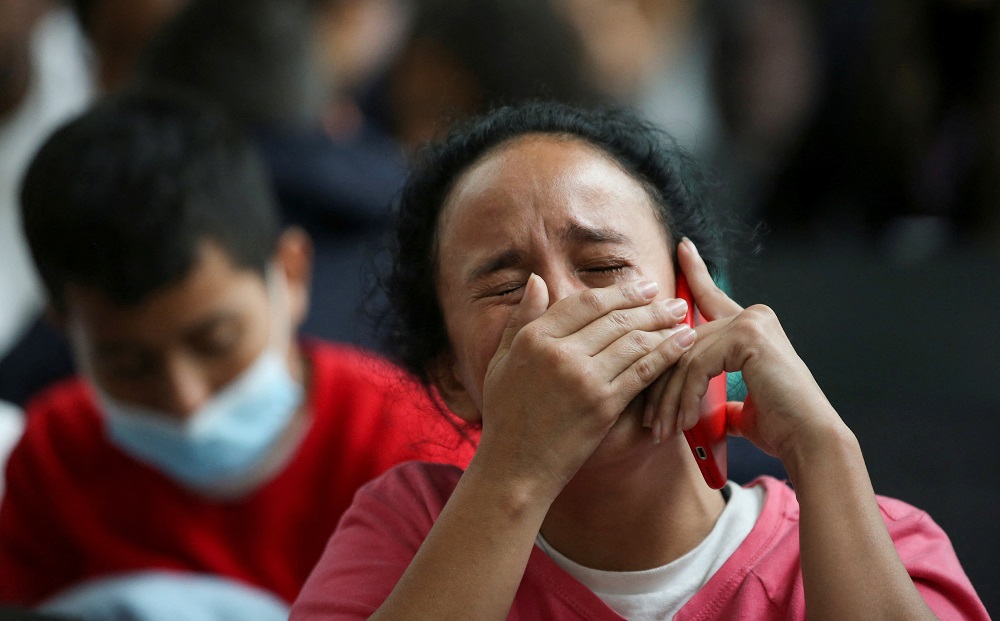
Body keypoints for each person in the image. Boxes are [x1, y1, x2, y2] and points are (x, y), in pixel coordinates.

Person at [289, 102, 988, 620]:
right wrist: (517, 469)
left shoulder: (875, 537)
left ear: (697, 303)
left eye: (601, 266)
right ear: (449, 377)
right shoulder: (406, 528)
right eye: (504, 287)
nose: (561, 308)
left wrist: (824, 448)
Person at [0, 87, 474, 613]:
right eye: (127, 364)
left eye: (217, 342)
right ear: (64, 329)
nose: (186, 398)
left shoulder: (418, 457)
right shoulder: (54, 459)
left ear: (291, 274)